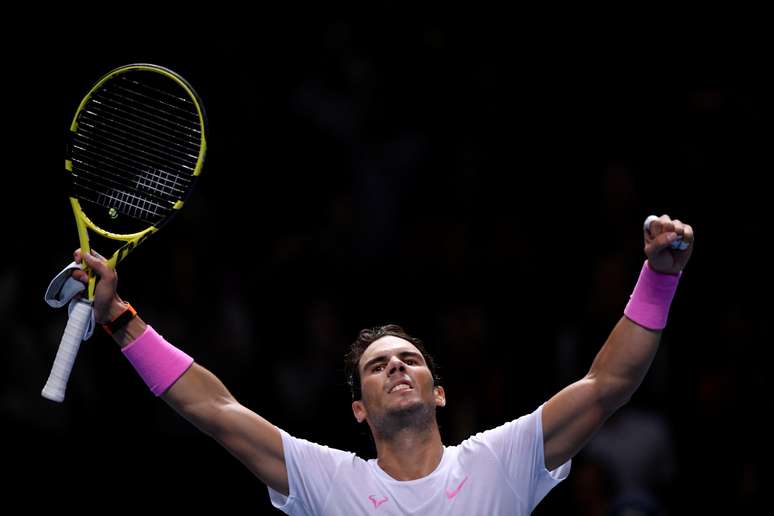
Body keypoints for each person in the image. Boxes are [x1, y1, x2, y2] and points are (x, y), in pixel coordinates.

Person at [69, 214, 693, 515]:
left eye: (409, 359)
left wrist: (658, 279)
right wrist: (121, 317)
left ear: (438, 392)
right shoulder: (328, 481)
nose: (396, 367)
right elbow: (215, 409)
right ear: (359, 409)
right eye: (377, 366)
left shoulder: (504, 460)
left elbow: (608, 384)